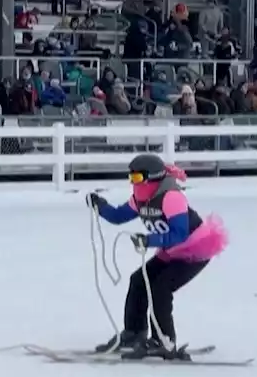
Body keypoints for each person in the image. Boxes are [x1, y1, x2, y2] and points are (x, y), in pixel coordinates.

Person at [86, 154, 229, 360]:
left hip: (193, 251)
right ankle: (134, 333)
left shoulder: (171, 197)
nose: (133, 183)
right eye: (131, 178)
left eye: (137, 178)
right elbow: (118, 217)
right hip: (171, 249)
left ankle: (164, 341)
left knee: (160, 288)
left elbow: (180, 233)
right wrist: (100, 206)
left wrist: (148, 240)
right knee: (138, 280)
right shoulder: (141, 199)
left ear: (151, 177)